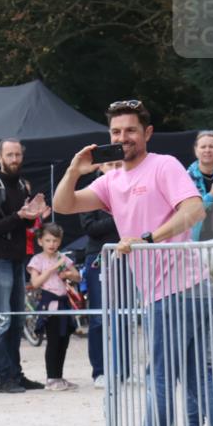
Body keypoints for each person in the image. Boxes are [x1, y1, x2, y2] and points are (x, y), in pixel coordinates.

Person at [52, 99, 207, 426]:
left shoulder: (165, 165)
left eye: (130, 130)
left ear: (147, 133)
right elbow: (63, 204)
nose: (123, 138)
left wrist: (150, 238)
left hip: (181, 287)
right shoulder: (110, 180)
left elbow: (194, 209)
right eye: (116, 132)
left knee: (163, 377)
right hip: (157, 290)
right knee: (197, 381)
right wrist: (74, 169)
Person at [0, 139, 48, 394]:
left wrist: (36, 217)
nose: (14, 159)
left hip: (18, 258)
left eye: (18, 154)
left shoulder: (21, 184)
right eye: (9, 154)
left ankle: (16, 374)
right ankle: (2, 378)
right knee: (1, 320)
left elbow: (23, 226)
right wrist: (19, 217)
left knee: (17, 320)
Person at [80, 161, 126, 389]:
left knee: (126, 314)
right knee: (99, 317)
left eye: (118, 163)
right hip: (99, 257)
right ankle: (100, 370)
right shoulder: (91, 191)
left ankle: (124, 370)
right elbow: (89, 228)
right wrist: (119, 216)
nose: (114, 167)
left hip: (127, 256)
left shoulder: (130, 187)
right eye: (109, 164)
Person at [27, 223, 81, 392]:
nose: (52, 244)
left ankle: (59, 376)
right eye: (48, 240)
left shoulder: (63, 258)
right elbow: (35, 283)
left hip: (64, 302)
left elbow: (78, 277)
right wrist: (52, 269)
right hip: (49, 304)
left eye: (55, 240)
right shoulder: (37, 260)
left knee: (64, 341)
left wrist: (68, 274)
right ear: (40, 241)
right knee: (53, 341)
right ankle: (51, 378)